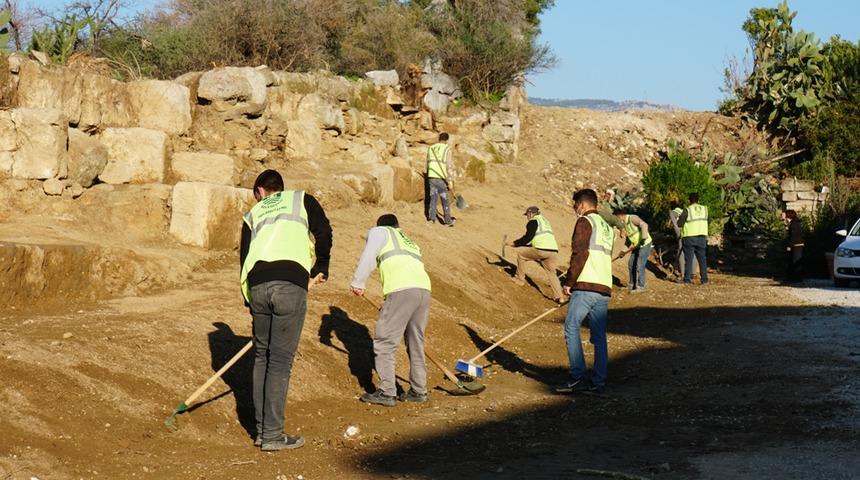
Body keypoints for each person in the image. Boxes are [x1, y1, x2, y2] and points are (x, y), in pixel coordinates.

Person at [239, 169, 332, 451]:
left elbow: (243, 258)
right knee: (279, 362)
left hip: (257, 285)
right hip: (289, 283)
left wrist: (249, 299)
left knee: (262, 359)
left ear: (260, 191)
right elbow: (324, 232)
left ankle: (261, 432)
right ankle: (272, 435)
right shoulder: (301, 200)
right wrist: (321, 266)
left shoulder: (253, 214)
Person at [350, 214, 432, 406]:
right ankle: (419, 390)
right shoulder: (410, 241)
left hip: (401, 290)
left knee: (384, 342)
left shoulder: (380, 231)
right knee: (415, 341)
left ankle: (387, 392)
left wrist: (358, 281)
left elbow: (369, 254)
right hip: (423, 290)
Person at [555, 189, 615, 395]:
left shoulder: (585, 222)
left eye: (575, 206)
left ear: (581, 205)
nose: (575, 210)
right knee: (598, 336)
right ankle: (598, 382)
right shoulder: (607, 227)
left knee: (571, 327)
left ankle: (576, 378)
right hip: (604, 287)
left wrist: (569, 282)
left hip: (586, 285)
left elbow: (580, 253)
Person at [508, 206, 566, 304]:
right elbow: (540, 238)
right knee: (552, 273)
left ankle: (519, 279)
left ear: (530, 213)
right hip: (553, 250)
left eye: (527, 215)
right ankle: (560, 297)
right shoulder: (545, 222)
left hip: (541, 249)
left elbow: (528, 237)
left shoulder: (533, 221)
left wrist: (515, 243)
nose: (527, 217)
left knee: (521, 255)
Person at [613, 209, 652, 292]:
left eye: (616, 218)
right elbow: (628, 241)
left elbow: (644, 225)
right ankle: (632, 285)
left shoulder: (632, 218)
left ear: (619, 216)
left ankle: (641, 286)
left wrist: (644, 238)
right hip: (637, 245)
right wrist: (623, 251)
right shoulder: (625, 224)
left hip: (644, 244)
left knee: (640, 264)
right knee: (631, 264)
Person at [677, 192, 709, 285]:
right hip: (702, 237)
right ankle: (704, 280)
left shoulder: (687, 210)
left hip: (689, 237)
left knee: (689, 259)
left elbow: (679, 224)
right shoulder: (705, 209)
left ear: (689, 201)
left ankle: (687, 280)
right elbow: (708, 220)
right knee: (702, 259)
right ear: (699, 200)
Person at [425, 132, 455, 226]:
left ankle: (431, 219)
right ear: (447, 140)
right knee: (444, 198)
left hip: (431, 175)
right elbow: (449, 165)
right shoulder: (447, 149)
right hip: (441, 177)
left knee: (433, 197)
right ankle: (447, 220)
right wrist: (450, 180)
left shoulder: (431, 148)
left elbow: (427, 162)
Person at [785, 209, 804, 282]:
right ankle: (795, 277)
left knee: (795, 262)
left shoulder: (794, 224)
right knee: (795, 262)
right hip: (798, 244)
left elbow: (793, 236)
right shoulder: (796, 222)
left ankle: (796, 278)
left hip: (796, 245)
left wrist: (790, 245)